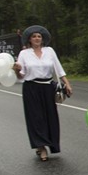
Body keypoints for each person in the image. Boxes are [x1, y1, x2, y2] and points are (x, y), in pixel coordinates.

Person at [13, 25, 73, 161]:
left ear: (42, 39)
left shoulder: (49, 51)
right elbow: (20, 76)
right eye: (34, 36)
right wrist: (17, 70)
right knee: (36, 118)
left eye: (39, 36)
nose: (36, 38)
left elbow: (59, 69)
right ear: (29, 39)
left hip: (48, 87)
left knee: (50, 117)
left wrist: (67, 83)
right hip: (31, 88)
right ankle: (41, 147)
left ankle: (51, 144)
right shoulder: (24, 54)